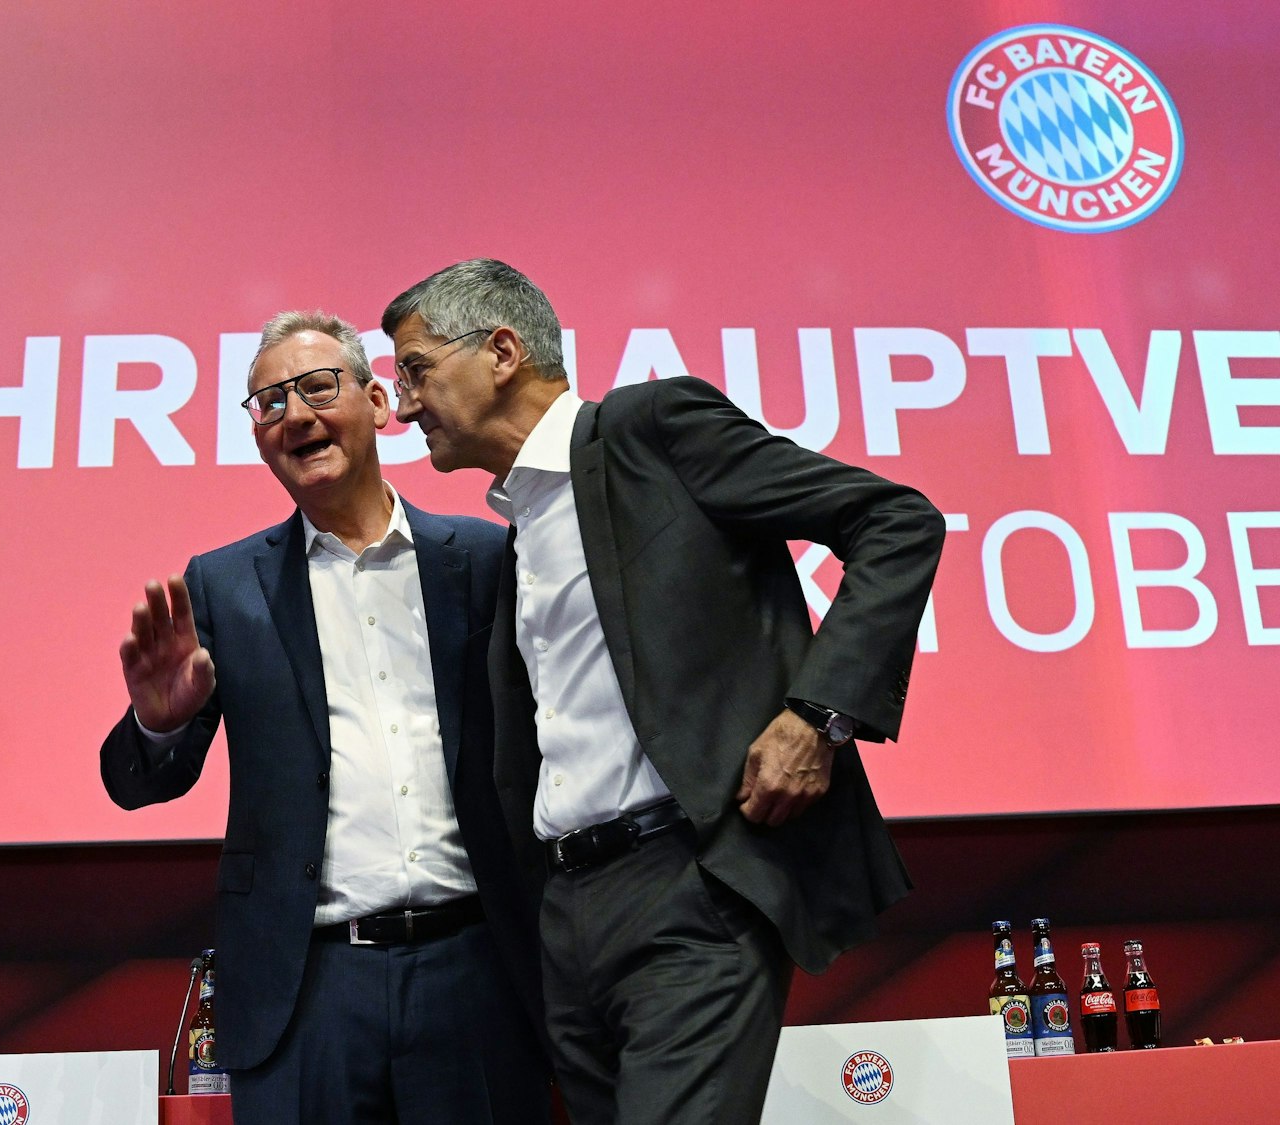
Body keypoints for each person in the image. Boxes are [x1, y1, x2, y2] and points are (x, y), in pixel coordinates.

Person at [382, 259, 946, 1125]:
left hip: (692, 882)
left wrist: (816, 717)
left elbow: (897, 521)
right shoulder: (516, 531)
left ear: (501, 351)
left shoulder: (653, 429)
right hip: (566, 914)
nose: (406, 405)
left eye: (415, 369)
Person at [101, 311, 548, 1125]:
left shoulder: (484, 559)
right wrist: (161, 723)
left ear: (379, 402)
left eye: (317, 387)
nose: (296, 415)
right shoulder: (226, 583)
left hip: (476, 967)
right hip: (307, 989)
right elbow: (140, 783)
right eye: (269, 402)